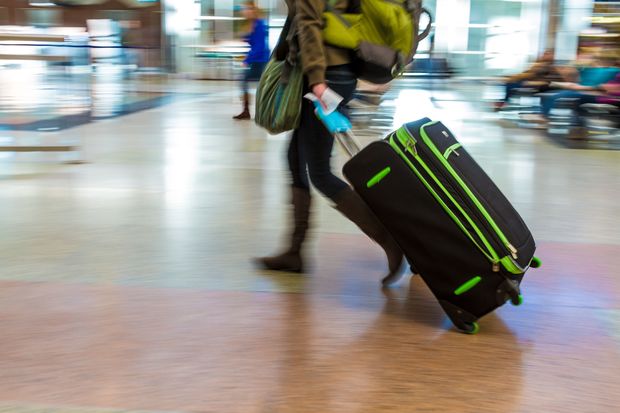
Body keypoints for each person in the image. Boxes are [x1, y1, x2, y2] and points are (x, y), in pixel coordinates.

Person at [256, 0, 404, 286]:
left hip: (323, 76)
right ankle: (294, 251)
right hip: (331, 72)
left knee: (320, 173)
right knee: (295, 159)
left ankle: (391, 240)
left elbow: (310, 23)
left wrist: (316, 80)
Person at [233, 2, 270, 120]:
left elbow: (259, 46)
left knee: (250, 82)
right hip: (258, 61)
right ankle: (250, 111)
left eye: (247, 9)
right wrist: (246, 38)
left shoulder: (259, 24)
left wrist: (247, 59)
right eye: (244, 9)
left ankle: (250, 111)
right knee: (255, 84)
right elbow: (255, 41)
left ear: (253, 10)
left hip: (261, 61)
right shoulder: (254, 24)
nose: (245, 11)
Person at [495, 50, 564, 110]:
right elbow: (528, 73)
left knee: (511, 84)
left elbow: (530, 75)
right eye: (545, 53)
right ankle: (504, 101)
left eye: (547, 54)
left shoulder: (546, 65)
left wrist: (513, 78)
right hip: (536, 84)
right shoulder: (541, 64)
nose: (544, 55)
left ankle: (504, 101)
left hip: (540, 85)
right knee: (511, 83)